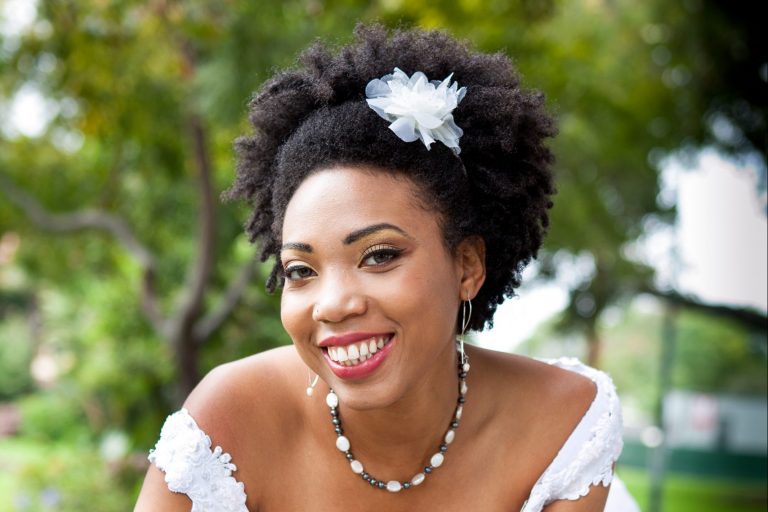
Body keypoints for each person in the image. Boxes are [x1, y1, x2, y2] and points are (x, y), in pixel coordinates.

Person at [135, 24, 628, 512]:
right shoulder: (230, 420)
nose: (333, 304)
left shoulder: (561, 424)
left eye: (379, 256)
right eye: (301, 270)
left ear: (467, 265)